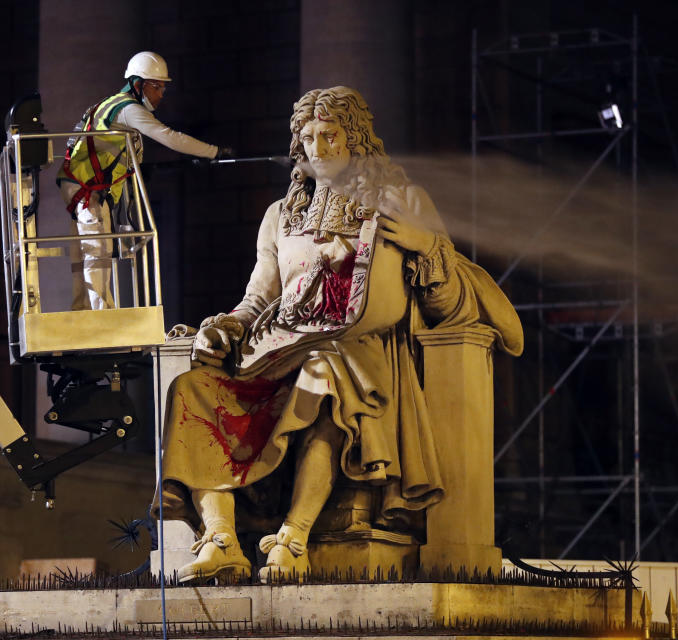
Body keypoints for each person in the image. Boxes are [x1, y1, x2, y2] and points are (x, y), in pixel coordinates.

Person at [154, 87, 523, 583]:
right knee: (192, 387)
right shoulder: (279, 217)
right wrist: (225, 326)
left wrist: (427, 247)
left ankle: (294, 537)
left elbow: (448, 305)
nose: (318, 149)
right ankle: (221, 540)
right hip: (277, 351)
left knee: (322, 373)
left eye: (330, 136)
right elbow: (258, 300)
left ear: (356, 141)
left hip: (362, 354)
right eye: (307, 138)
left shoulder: (402, 201)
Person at [59, 51, 231, 310]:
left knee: (85, 250)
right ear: (138, 84)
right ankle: (101, 316)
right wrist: (214, 152)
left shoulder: (112, 105)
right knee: (98, 248)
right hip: (87, 188)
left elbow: (113, 151)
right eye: (157, 86)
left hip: (81, 184)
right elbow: (170, 137)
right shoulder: (129, 109)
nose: (161, 94)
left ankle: (83, 309)